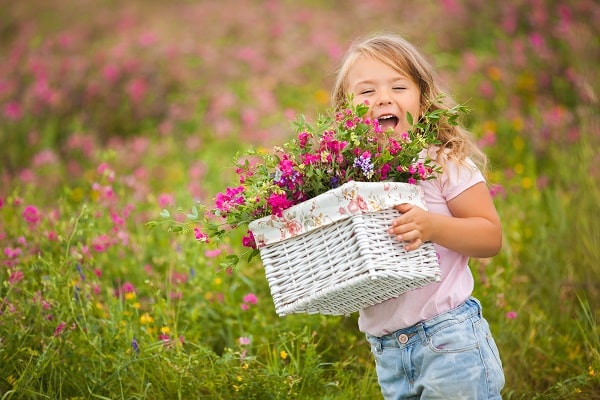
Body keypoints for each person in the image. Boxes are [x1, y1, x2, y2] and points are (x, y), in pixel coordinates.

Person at [331, 33, 505, 399]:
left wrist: (433, 226)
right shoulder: (352, 180)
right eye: (366, 92)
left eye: (398, 86)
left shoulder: (442, 162)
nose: (382, 98)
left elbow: (490, 236)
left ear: (423, 101)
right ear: (345, 113)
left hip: (450, 341)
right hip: (388, 353)